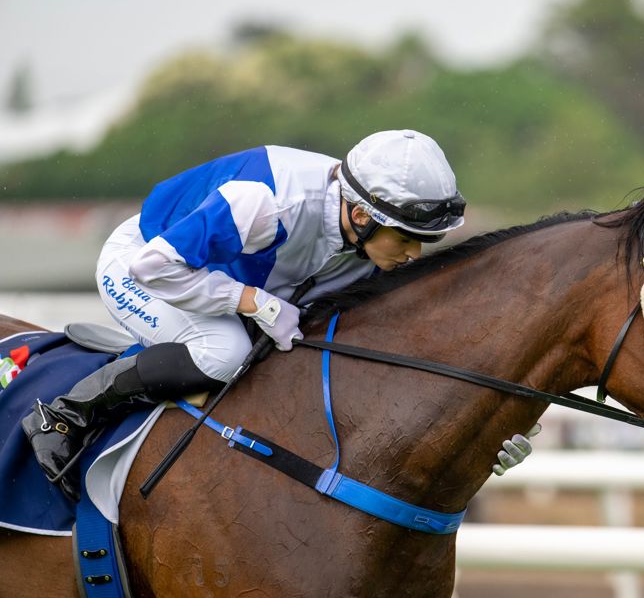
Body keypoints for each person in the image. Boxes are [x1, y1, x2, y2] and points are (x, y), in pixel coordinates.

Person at [21, 129, 537, 502]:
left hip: (223, 273)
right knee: (225, 352)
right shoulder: (266, 203)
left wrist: (492, 423)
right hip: (147, 263)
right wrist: (254, 303)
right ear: (362, 214)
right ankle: (65, 413)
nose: (413, 255)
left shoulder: (360, 225)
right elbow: (153, 269)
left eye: (425, 241)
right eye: (405, 238)